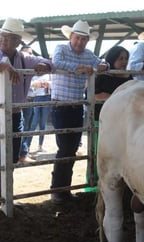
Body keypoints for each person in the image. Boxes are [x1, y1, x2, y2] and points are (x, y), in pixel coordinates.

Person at [0, 17, 54, 213]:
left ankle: (6, 196)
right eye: (2, 36)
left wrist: (44, 66)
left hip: (15, 113)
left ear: (18, 42)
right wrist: (4, 66)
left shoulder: (24, 58)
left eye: (9, 38)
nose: (3, 40)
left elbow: (47, 62)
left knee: (11, 157)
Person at [50, 19, 108, 204]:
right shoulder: (61, 48)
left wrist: (102, 66)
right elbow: (56, 62)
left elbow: (103, 64)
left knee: (71, 149)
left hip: (77, 107)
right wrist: (80, 68)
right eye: (77, 38)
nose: (80, 42)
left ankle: (63, 190)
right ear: (71, 37)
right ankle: (58, 190)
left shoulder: (88, 54)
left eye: (84, 39)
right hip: (61, 105)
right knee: (65, 148)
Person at [87, 45, 133, 189]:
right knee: (98, 152)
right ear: (112, 59)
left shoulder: (130, 76)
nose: (124, 62)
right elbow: (95, 95)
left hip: (122, 122)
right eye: (120, 58)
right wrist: (120, 98)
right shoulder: (102, 76)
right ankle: (94, 184)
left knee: (118, 153)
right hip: (102, 120)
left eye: (126, 58)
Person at [18, 45, 36, 163]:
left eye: (30, 53)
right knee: (22, 127)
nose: (29, 56)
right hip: (23, 100)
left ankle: (24, 151)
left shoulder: (32, 67)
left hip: (31, 99)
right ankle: (22, 154)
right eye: (26, 53)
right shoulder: (19, 67)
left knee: (28, 126)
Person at [29, 74, 51, 155]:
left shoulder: (49, 74)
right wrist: (39, 84)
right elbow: (31, 85)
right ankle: (27, 146)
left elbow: (51, 84)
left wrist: (45, 84)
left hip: (47, 97)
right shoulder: (34, 74)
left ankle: (40, 145)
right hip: (36, 97)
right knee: (33, 124)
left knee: (43, 123)